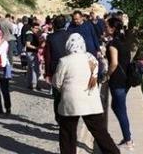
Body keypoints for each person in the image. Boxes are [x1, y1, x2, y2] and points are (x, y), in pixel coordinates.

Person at [54, 34, 120, 154]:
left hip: (71, 102)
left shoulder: (64, 61)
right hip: (90, 101)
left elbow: (57, 82)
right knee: (100, 132)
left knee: (67, 133)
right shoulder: (91, 58)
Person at [105, 17, 133, 148]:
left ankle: (128, 141)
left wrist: (106, 75)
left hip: (117, 81)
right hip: (126, 79)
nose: (105, 28)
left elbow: (114, 63)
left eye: (107, 26)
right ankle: (127, 137)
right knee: (116, 107)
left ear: (112, 28)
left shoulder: (113, 44)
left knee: (121, 110)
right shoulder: (125, 42)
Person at [44, 15, 70, 123]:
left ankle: (59, 119)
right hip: (69, 68)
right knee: (68, 94)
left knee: (57, 96)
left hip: (56, 69)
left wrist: (47, 73)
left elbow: (47, 57)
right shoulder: (70, 36)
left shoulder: (51, 37)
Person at [23, 24, 43, 90]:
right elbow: (27, 44)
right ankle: (34, 84)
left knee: (30, 69)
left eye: (38, 28)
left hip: (30, 52)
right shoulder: (30, 35)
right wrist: (36, 48)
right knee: (35, 69)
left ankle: (29, 84)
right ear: (32, 28)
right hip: (31, 53)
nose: (37, 30)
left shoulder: (30, 34)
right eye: (35, 28)